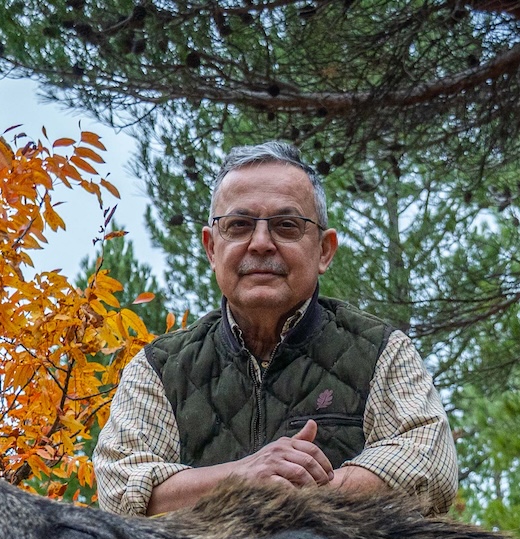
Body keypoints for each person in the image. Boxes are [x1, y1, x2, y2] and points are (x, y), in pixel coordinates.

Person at [93, 141, 459, 518]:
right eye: (239, 225)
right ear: (211, 248)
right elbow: (120, 489)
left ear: (324, 250)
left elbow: (431, 465)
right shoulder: (159, 368)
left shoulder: (381, 351)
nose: (262, 243)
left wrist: (307, 494)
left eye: (287, 225)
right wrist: (243, 479)